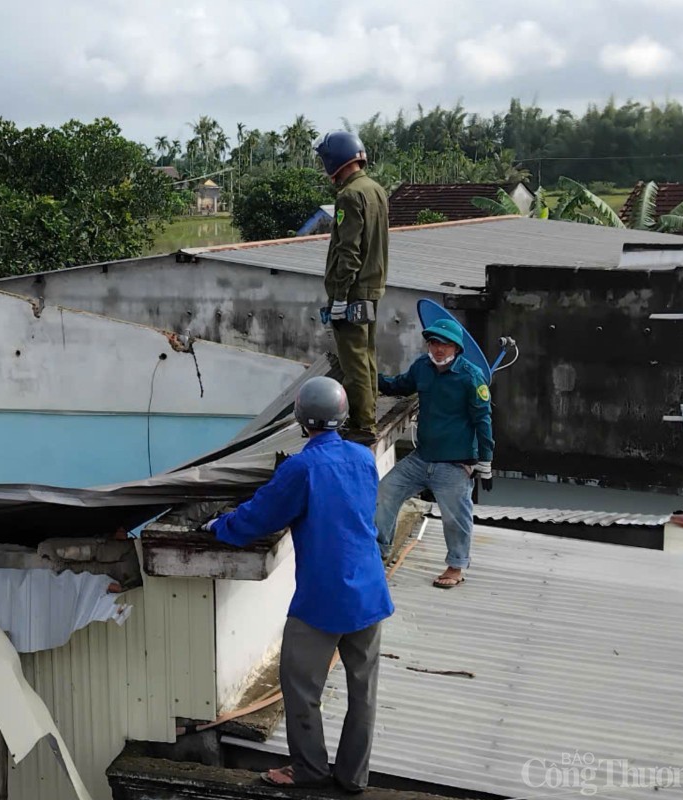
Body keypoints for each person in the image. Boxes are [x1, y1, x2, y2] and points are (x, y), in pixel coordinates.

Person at [202, 376, 394, 793]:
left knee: (300, 686)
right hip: (369, 591)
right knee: (363, 691)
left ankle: (308, 768)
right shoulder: (363, 457)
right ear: (341, 416)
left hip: (323, 598)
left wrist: (221, 525)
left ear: (302, 419)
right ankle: (353, 777)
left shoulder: (301, 467)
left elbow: (260, 517)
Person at [374, 317, 494, 589]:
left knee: (456, 515)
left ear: (457, 348)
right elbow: (399, 385)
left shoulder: (471, 377)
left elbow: (483, 420)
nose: (439, 349)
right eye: (434, 343)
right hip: (422, 457)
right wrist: (369, 376)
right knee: (385, 491)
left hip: (454, 463)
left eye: (445, 344)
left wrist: (485, 460)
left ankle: (456, 567)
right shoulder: (422, 367)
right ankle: (377, 555)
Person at [315, 131, 390, 445]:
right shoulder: (376, 190)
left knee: (353, 360)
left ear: (335, 161)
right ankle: (368, 415)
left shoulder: (349, 196)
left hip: (354, 291)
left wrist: (340, 297)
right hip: (373, 288)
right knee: (367, 355)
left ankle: (362, 425)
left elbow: (349, 251)